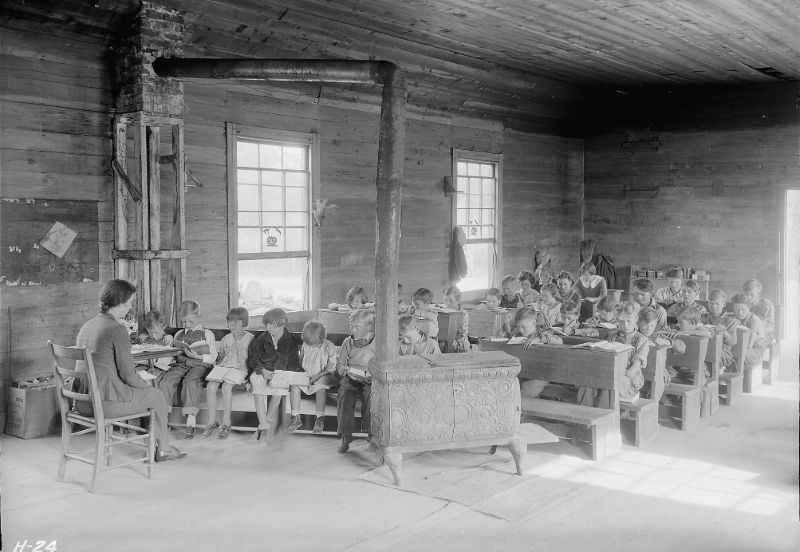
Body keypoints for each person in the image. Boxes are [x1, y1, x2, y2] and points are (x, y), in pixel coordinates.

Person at [75, 279, 185, 462]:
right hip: (104, 404)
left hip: (82, 403)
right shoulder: (116, 329)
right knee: (155, 395)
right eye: (129, 302)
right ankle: (164, 448)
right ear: (120, 302)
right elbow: (128, 375)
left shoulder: (87, 326)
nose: (130, 307)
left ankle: (157, 445)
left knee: (148, 391)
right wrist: (144, 383)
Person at [158, 300, 217, 440]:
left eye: (190, 321)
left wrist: (199, 356)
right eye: (184, 322)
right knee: (166, 380)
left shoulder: (207, 334)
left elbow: (213, 357)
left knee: (190, 382)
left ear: (199, 316)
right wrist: (169, 340)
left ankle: (191, 423)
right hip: (181, 363)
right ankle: (162, 419)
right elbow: (173, 352)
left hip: (200, 364)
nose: (186, 325)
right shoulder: (179, 334)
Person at [246, 308, 303, 441]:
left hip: (281, 372)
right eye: (267, 325)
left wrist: (279, 373)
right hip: (262, 369)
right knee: (258, 389)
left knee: (278, 391)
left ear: (282, 324)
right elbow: (253, 358)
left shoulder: (291, 339)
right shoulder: (260, 339)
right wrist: (263, 370)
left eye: (273, 326)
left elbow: (293, 361)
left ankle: (266, 421)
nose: (270, 328)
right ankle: (263, 423)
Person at [578, 302, 648, 408]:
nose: (625, 325)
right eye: (621, 321)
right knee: (588, 382)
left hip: (629, 378)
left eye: (629, 321)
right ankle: (584, 416)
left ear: (636, 319)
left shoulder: (641, 340)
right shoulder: (612, 335)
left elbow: (634, 368)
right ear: (617, 320)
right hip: (610, 372)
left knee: (608, 383)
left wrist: (615, 373)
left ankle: (605, 419)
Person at [202, 307, 253, 440]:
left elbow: (253, 360)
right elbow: (220, 357)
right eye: (230, 322)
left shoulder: (250, 339)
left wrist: (249, 379)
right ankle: (212, 421)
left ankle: (226, 422)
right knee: (211, 386)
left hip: (240, 370)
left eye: (236, 322)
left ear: (244, 323)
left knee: (226, 387)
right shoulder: (226, 339)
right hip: (224, 367)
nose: (232, 325)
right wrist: (215, 367)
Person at [336, 309, 376, 453]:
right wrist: (344, 370)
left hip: (371, 378)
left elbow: (382, 362)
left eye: (356, 327)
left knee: (370, 396)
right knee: (345, 394)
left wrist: (372, 373)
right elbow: (340, 365)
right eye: (351, 326)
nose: (352, 329)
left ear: (369, 327)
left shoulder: (377, 341)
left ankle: (371, 434)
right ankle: (346, 435)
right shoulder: (348, 342)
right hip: (352, 377)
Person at [295, 320, 339, 434]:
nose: (311, 345)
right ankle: (295, 416)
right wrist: (301, 373)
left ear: (322, 338)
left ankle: (319, 418)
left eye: (314, 343)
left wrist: (316, 376)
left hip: (326, 375)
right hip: (308, 374)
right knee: (294, 386)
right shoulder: (306, 345)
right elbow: (301, 362)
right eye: (309, 343)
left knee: (320, 387)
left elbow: (331, 368)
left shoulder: (329, 347)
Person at [515, 307, 562, 399]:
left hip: (541, 374)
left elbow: (559, 341)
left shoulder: (543, 333)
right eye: (518, 327)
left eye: (523, 327)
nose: (520, 330)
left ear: (534, 323)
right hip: (523, 372)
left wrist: (539, 339)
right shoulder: (518, 335)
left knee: (524, 390)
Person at [702, 289, 739, 371]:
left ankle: (707, 374)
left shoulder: (729, 320)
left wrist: (725, 333)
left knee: (705, 363)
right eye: (711, 303)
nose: (713, 306)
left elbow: (733, 341)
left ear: (723, 304)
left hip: (723, 353)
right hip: (705, 349)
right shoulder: (703, 317)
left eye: (717, 304)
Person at [731, 294, 768, 370]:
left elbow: (749, 346)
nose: (740, 313)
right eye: (737, 310)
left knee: (738, 356)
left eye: (743, 310)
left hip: (755, 350)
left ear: (748, 307)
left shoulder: (755, 321)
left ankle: (738, 378)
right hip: (739, 347)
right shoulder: (733, 318)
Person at [443, 285, 470, 353]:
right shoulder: (443, 310)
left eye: (450, 301)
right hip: (444, 337)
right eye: (445, 300)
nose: (447, 303)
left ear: (458, 300)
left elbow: (463, 333)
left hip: (458, 339)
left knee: (461, 344)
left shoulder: (463, 313)